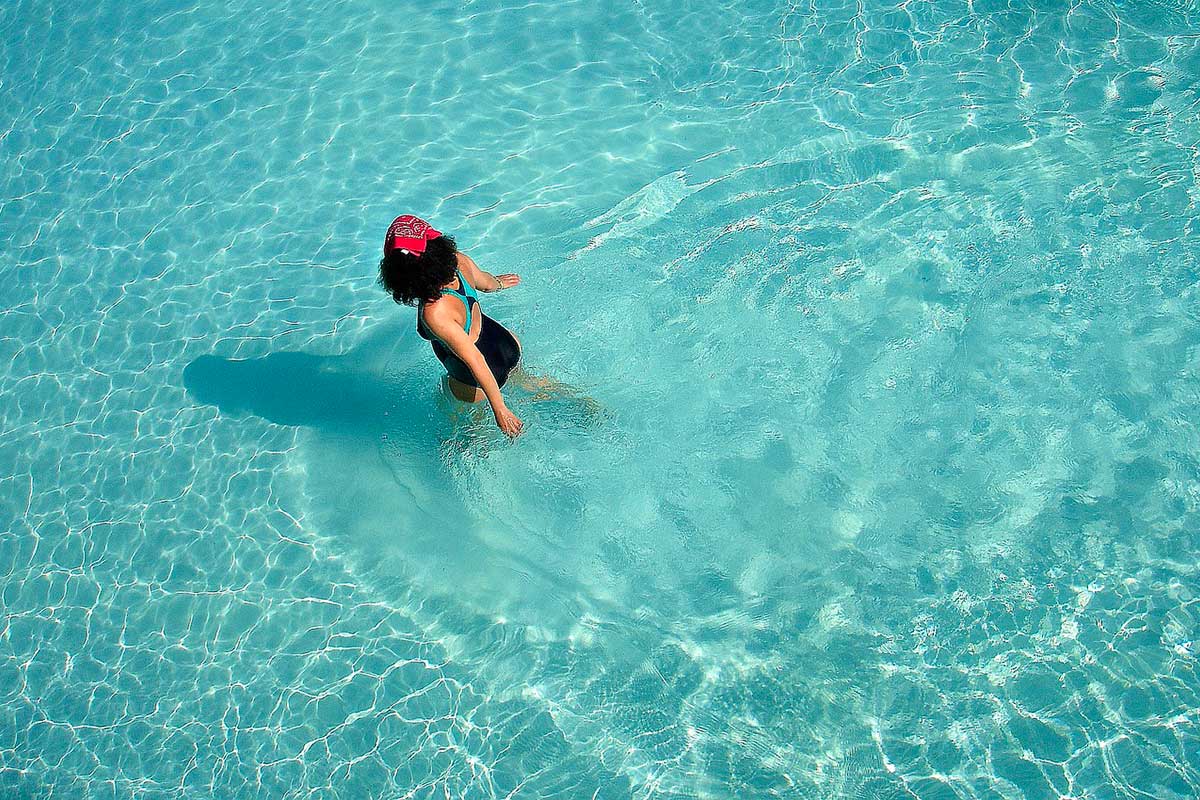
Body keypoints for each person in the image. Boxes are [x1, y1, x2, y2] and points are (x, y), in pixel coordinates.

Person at [377, 214, 525, 437]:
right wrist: (501, 283)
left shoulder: (434, 312)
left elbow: (475, 359)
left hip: (473, 378)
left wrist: (500, 409)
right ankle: (583, 405)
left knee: (465, 431)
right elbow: (486, 283)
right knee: (532, 385)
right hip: (505, 344)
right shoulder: (459, 261)